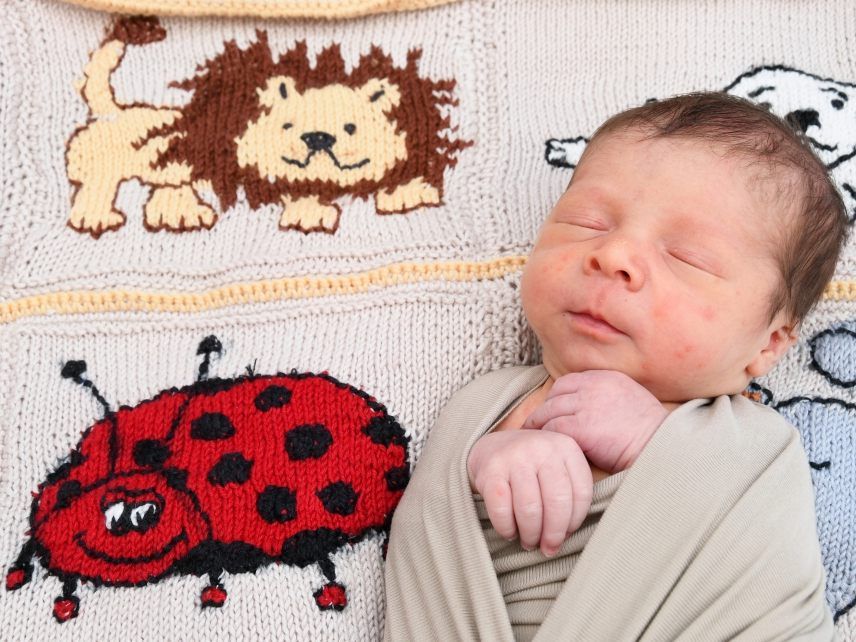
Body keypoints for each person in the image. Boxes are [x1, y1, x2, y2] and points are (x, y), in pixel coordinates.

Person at [383, 92, 850, 641]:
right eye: (587, 222)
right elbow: (433, 529)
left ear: (768, 344)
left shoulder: (760, 454)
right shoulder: (485, 406)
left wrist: (657, 447)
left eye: (687, 256)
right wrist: (490, 460)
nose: (614, 255)